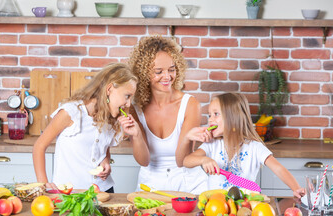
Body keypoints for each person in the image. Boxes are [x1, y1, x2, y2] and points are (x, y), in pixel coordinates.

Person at [33, 63, 139, 193]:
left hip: (103, 191)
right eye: (127, 96)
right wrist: (44, 184)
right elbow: (39, 146)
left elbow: (101, 146)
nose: (128, 103)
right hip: (70, 193)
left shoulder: (111, 117)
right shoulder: (71, 112)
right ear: (109, 89)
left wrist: (105, 161)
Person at [183, 92, 306, 199]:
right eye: (209, 115)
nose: (210, 119)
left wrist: (296, 188)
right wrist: (204, 160)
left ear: (233, 118)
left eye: (216, 114)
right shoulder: (212, 145)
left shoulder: (254, 147)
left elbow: (278, 168)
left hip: (245, 207)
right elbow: (187, 161)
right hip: (216, 206)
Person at [126, 35, 208, 194]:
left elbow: (182, 160)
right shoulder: (135, 109)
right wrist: (136, 135)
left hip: (188, 183)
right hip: (150, 184)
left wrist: (187, 137)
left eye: (172, 69)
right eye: (158, 71)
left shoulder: (190, 105)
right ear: (143, 73)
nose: (167, 77)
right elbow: (143, 160)